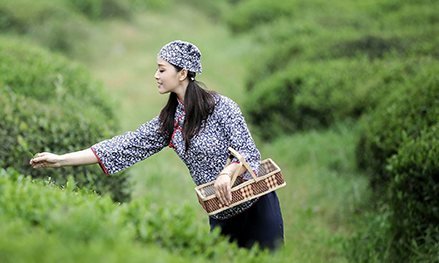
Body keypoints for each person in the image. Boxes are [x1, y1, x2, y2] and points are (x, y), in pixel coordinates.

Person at [29, 40, 284, 251]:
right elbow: (123, 146)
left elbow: (248, 152)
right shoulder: (170, 122)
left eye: (162, 70)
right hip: (221, 214)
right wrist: (60, 159)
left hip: (256, 207)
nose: (156, 75)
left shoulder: (222, 107)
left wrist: (227, 173)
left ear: (182, 73)